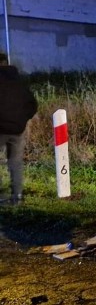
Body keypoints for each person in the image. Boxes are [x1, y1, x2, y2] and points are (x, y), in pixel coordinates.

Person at [0, 65, 38, 205]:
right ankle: (18, 196)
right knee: (15, 163)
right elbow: (33, 105)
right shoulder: (21, 85)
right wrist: (23, 119)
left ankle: (1, 196)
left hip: (1, 128)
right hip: (18, 129)